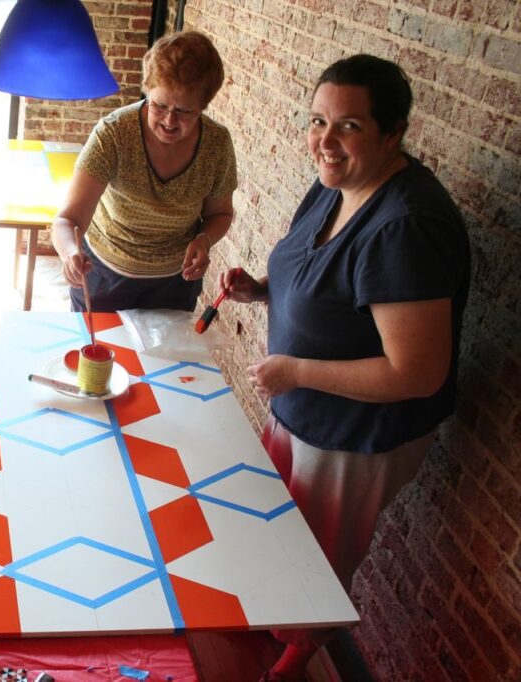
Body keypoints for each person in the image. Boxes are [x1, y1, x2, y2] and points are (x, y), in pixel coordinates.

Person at [221, 54, 470, 682]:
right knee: (276, 530)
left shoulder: (406, 227)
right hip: (300, 408)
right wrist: (263, 291)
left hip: (354, 435)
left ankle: (295, 660)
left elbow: (416, 373)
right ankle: (264, 621)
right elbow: (327, 282)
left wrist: (297, 372)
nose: (325, 141)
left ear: (393, 133)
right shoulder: (335, 181)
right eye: (317, 121)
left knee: (317, 556)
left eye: (349, 126)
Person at [51, 30, 237, 312]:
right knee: (100, 342)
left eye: (184, 111)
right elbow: (67, 219)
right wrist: (70, 254)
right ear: (147, 90)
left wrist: (204, 239)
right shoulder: (113, 133)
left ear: (203, 105)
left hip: (175, 283)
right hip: (103, 275)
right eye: (159, 105)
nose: (169, 121)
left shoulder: (217, 144)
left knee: (169, 344)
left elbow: (219, 214)